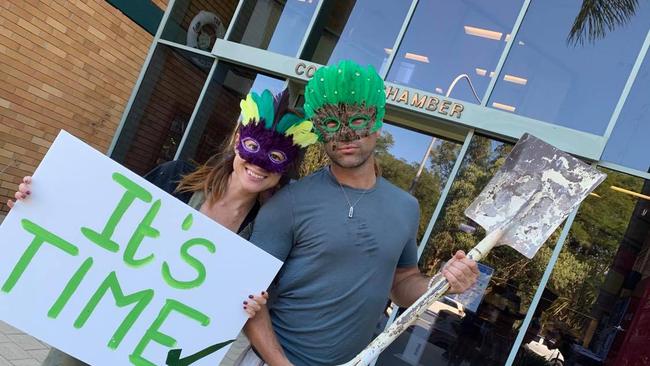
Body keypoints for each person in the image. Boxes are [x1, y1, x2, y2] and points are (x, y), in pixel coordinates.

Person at [6, 88, 319, 366]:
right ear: (238, 142)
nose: (260, 163)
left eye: (275, 156)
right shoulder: (175, 178)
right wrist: (40, 201)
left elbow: (236, 303)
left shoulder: (265, 231)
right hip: (95, 327)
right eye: (253, 146)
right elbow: (100, 223)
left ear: (285, 168)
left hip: (156, 347)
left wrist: (253, 303)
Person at [238, 60, 480, 366]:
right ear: (319, 130)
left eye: (357, 121)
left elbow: (401, 281)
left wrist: (441, 283)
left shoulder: (406, 207)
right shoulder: (288, 203)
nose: (345, 135)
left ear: (377, 122)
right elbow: (246, 297)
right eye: (330, 124)